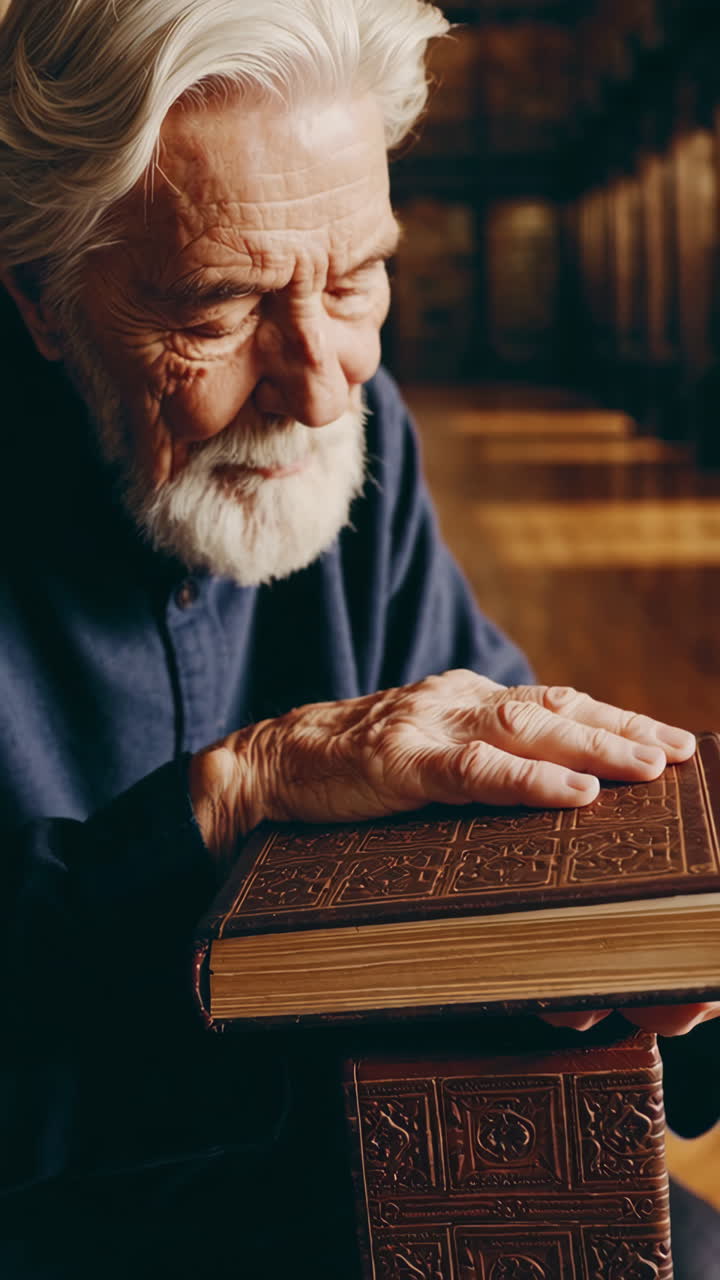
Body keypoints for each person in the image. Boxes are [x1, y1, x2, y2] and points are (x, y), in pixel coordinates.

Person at [0, 1, 717, 1275]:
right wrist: (236, 793)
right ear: (43, 297)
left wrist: (633, 954)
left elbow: (494, 790)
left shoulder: (358, 432)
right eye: (221, 304)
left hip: (348, 1150)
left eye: (359, 277)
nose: (324, 380)